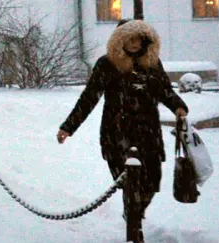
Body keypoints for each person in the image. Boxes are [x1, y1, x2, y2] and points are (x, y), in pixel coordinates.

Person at [56, 20, 188, 243]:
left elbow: (164, 91)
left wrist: (178, 106)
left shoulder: (152, 63)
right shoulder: (107, 64)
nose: (135, 43)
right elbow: (89, 98)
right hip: (117, 134)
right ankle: (134, 231)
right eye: (130, 38)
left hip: (149, 134)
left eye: (139, 38)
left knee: (151, 182)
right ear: (120, 40)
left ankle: (134, 215)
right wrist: (68, 127)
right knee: (129, 183)